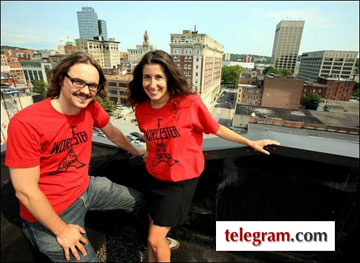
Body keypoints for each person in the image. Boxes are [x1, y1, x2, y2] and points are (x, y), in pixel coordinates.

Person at [128, 50, 280, 262]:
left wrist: (249, 142)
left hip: (179, 182)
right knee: (155, 234)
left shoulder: (188, 103)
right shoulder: (142, 109)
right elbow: (150, 137)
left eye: (158, 77)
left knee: (154, 239)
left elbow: (216, 128)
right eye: (147, 77)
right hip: (154, 177)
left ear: (169, 77)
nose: (152, 84)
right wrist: (147, 151)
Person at [5, 52, 146, 262]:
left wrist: (138, 151)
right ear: (62, 79)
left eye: (92, 86)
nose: (85, 91)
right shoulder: (27, 122)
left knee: (142, 199)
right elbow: (25, 192)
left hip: (85, 188)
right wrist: (61, 230)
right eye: (78, 82)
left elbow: (112, 132)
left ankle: (147, 240)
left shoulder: (91, 108)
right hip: (52, 213)